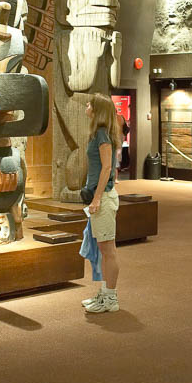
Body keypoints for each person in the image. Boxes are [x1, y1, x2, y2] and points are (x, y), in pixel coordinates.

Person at [80, 93, 122, 313]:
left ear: (97, 111)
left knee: (108, 251)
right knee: (103, 250)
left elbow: (107, 168)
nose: (86, 107)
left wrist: (96, 198)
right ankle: (105, 293)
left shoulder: (102, 134)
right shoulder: (98, 134)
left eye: (89, 104)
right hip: (101, 197)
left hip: (104, 198)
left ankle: (111, 298)